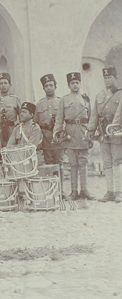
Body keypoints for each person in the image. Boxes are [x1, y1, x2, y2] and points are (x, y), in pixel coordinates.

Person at [54, 72, 94, 200]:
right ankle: (74, 192)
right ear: (68, 85)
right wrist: (57, 133)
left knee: (83, 162)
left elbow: (91, 118)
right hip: (70, 134)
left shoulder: (85, 99)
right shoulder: (64, 100)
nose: (75, 85)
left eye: (77, 82)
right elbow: (59, 118)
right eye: (72, 83)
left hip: (83, 132)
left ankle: (84, 190)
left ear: (80, 84)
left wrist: (91, 134)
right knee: (72, 163)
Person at [88, 67, 122, 202]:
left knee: (116, 161)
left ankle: (119, 191)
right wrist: (91, 130)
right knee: (107, 162)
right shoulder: (100, 95)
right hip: (103, 134)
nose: (107, 80)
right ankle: (110, 192)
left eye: (110, 77)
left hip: (116, 133)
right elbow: (94, 115)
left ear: (116, 78)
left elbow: (119, 114)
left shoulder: (120, 94)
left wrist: (113, 128)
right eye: (105, 78)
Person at [34, 74, 65, 178]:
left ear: (55, 86)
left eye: (51, 85)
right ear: (43, 88)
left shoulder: (61, 102)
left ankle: (60, 191)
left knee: (59, 164)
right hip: (46, 138)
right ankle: (52, 191)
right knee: (49, 164)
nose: (49, 88)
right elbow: (36, 123)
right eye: (46, 86)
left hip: (58, 137)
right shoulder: (39, 104)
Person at [0, 72, 21, 145]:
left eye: (5, 83)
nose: (3, 85)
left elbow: (21, 116)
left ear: (10, 85)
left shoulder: (15, 99)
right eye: (1, 83)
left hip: (11, 130)